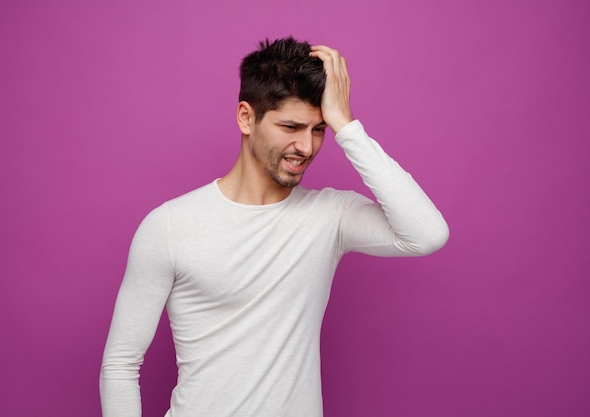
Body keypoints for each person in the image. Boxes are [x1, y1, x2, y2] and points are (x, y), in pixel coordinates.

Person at [100, 37, 449, 417]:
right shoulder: (169, 225)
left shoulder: (330, 215)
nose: (306, 146)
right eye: (290, 126)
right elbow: (121, 364)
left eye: (319, 130)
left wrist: (346, 126)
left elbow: (426, 235)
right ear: (246, 118)